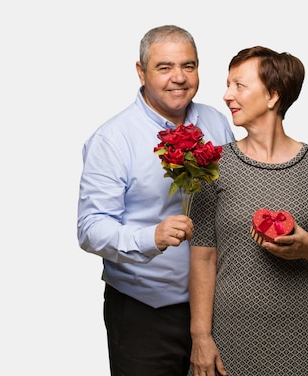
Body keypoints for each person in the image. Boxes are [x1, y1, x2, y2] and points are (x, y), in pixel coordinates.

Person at [188, 46, 308, 376]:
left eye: (239, 85)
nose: (226, 95)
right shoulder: (213, 166)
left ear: (273, 96)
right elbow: (202, 257)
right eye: (227, 84)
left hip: (302, 337)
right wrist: (200, 337)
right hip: (229, 337)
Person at [77, 25, 235, 376]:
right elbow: (90, 229)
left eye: (189, 66)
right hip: (144, 314)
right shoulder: (112, 139)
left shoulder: (216, 121)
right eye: (165, 67)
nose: (179, 77)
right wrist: (151, 237)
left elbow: (235, 202)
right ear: (141, 71)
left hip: (216, 309)